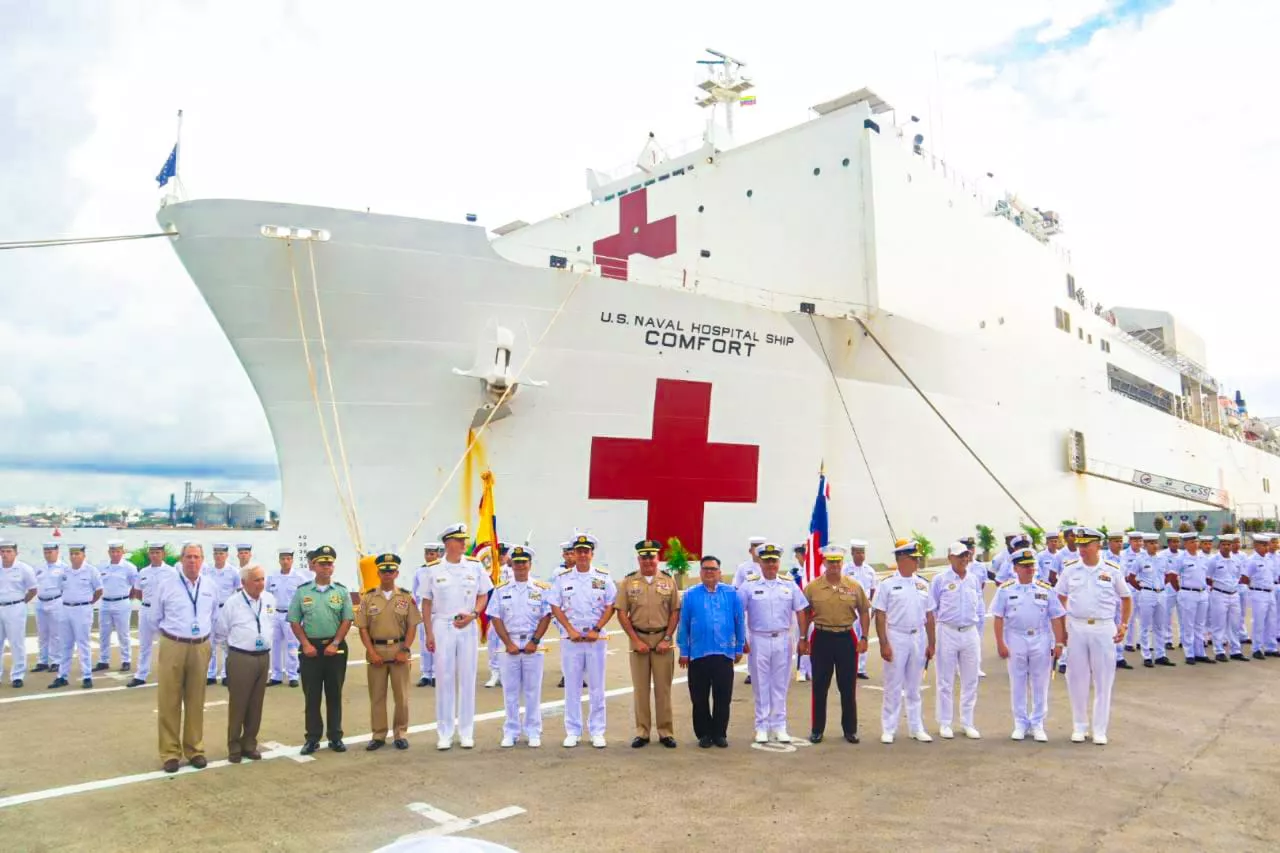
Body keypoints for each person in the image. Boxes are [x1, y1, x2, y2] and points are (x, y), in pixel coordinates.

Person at [1054, 527, 1132, 745]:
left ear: (1098, 546)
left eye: (1086, 545)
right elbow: (1059, 597)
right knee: (1076, 679)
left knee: (1103, 679)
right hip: (1077, 627)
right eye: (1079, 545)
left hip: (1103, 628)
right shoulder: (1070, 570)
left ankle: (1099, 729)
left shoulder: (1112, 570)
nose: (1082, 550)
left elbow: (1126, 598)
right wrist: (1063, 628)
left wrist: (1123, 624)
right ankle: (1079, 726)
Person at [422, 523, 493, 750]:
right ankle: (444, 732)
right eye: (459, 540)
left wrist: (473, 614)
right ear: (448, 543)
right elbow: (426, 603)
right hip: (442, 624)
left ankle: (466, 731)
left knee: (467, 677)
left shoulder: (474, 567)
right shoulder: (432, 569)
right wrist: (429, 633)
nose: (464, 543)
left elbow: (484, 595)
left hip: (467, 626)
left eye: (464, 539)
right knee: (444, 678)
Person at [154, 543, 219, 772]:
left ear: (202, 560)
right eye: (188, 557)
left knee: (195, 701)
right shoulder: (166, 585)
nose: (192, 561)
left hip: (200, 646)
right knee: (169, 700)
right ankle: (170, 753)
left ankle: (195, 749)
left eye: (196, 557)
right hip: (174, 643)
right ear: (181, 559)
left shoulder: (210, 585)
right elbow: (155, 617)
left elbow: (214, 616)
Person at [548, 532, 616, 748]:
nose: (583, 555)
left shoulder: (603, 578)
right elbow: (555, 606)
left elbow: (610, 605)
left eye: (586, 551)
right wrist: (569, 629)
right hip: (571, 639)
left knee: (597, 686)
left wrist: (597, 628)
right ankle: (573, 730)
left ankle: (597, 730)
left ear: (592, 554)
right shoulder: (562, 578)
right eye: (579, 551)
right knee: (572, 686)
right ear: (574, 554)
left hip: (596, 639)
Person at [991, 548, 1065, 741]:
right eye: (1024, 566)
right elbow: (998, 617)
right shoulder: (1005, 589)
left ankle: (1038, 723)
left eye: (1031, 565)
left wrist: (1059, 642)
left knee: (1040, 681)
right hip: (1015, 637)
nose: (1029, 569)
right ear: (1015, 568)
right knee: (1018, 681)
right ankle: (1020, 723)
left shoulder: (1045, 589)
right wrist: (1000, 643)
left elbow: (1057, 616)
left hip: (1040, 637)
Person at [798, 544, 869, 745]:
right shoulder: (812, 587)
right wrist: (803, 638)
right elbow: (804, 613)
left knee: (847, 687)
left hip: (846, 638)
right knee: (819, 686)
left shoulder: (853, 586)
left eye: (837, 562)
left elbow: (864, 610)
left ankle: (850, 730)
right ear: (824, 563)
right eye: (830, 562)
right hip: (822, 638)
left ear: (842, 563)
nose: (834, 565)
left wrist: (864, 637)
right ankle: (817, 729)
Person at [614, 539, 681, 749]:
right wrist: (635, 640)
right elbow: (622, 613)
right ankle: (642, 732)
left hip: (663, 641)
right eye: (644, 557)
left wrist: (667, 638)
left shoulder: (669, 581)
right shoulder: (628, 582)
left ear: (657, 558)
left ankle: (665, 732)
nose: (648, 561)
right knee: (641, 690)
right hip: (638, 641)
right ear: (638, 559)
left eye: (652, 556)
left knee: (663, 690)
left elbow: (675, 612)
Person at [288, 545, 353, 755]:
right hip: (310, 649)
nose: (327, 567)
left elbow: (347, 619)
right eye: (322, 563)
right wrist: (306, 644)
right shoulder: (303, 591)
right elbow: (295, 621)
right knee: (312, 696)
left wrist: (335, 643)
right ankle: (312, 738)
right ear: (314, 566)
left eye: (330, 564)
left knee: (334, 694)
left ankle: (335, 737)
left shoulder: (342, 591)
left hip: (335, 649)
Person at [486, 546, 553, 748]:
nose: (521, 566)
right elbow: (495, 617)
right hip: (510, 644)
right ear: (511, 565)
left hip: (533, 644)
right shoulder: (501, 590)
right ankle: (511, 731)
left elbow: (546, 616)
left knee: (533, 690)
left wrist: (534, 641)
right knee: (510, 691)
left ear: (530, 565)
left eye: (524, 562)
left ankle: (533, 730)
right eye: (517, 562)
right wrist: (508, 643)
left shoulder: (541, 589)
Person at [677, 555, 744, 748]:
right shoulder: (690, 595)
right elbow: (684, 624)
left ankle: (720, 733)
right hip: (698, 654)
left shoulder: (731, 594)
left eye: (713, 569)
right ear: (700, 572)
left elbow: (739, 621)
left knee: (723, 697)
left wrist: (739, 646)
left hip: (724, 653)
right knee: (699, 697)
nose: (709, 572)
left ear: (719, 572)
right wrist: (684, 650)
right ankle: (704, 734)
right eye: (705, 569)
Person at [357, 553, 420, 752]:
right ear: (378, 573)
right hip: (376, 650)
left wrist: (405, 650)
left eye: (391, 571)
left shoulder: (406, 597)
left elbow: (412, 626)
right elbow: (362, 628)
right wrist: (371, 652)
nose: (387, 574)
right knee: (377, 696)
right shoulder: (368, 598)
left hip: (399, 650)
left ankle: (400, 733)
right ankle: (378, 735)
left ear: (397, 573)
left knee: (401, 696)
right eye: (384, 570)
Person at [874, 540, 936, 744]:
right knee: (893, 684)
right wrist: (884, 643)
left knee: (914, 686)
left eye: (917, 558)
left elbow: (929, 615)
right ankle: (889, 728)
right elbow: (880, 615)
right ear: (902, 560)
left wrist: (931, 643)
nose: (917, 562)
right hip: (897, 636)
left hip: (918, 636)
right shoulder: (888, 584)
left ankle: (916, 727)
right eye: (913, 558)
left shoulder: (923, 584)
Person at [217, 563, 275, 763]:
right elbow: (221, 632)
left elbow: (271, 624)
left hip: (263, 657)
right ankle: (234, 745)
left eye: (262, 579)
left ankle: (249, 743)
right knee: (238, 704)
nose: (261, 583)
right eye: (256, 580)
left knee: (256, 704)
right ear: (243, 583)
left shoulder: (269, 599)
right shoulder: (233, 603)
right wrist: (233, 652)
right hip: (241, 657)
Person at [929, 542, 983, 739]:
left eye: (966, 556)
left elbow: (978, 604)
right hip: (948, 631)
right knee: (945, 680)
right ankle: (945, 722)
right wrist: (934, 635)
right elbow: (932, 608)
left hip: (970, 631)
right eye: (960, 556)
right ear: (950, 557)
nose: (964, 559)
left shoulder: (973, 579)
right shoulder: (939, 580)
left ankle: (967, 722)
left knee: (971, 679)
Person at [49, 544, 103, 689]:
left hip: (82, 610)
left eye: (77, 554)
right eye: (72, 554)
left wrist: (88, 602)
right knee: (65, 644)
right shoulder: (64, 571)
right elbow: (60, 588)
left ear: (83, 555)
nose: (74, 557)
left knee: (83, 643)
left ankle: (87, 676)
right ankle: (62, 676)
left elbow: (98, 591)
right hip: (65, 609)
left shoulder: (91, 571)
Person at [128, 542, 176, 688]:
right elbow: (137, 592)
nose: (154, 556)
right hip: (146, 610)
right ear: (149, 555)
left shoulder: (172, 572)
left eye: (158, 553)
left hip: (165, 612)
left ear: (163, 554)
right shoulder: (143, 572)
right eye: (152, 553)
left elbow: (175, 593)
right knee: (144, 645)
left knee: (168, 645)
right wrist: (150, 603)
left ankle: (170, 674)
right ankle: (141, 675)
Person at [1127, 533, 1175, 668]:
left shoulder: (1162, 559)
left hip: (1161, 594)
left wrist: (1161, 587)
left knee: (1160, 626)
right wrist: (1142, 588)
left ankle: (1160, 655)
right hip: (1147, 593)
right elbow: (1131, 577)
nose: (1155, 546)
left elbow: (1168, 575)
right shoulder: (1140, 559)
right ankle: (1147, 655)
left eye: (1156, 543)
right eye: (1151, 543)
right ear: (1146, 545)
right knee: (1145, 626)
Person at [95, 539, 138, 673]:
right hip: (105, 603)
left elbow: (134, 586)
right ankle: (103, 660)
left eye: (118, 551)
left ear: (122, 552)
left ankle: (126, 660)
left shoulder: (129, 567)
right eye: (112, 551)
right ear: (109, 552)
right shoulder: (102, 567)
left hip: (122, 602)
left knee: (123, 633)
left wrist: (127, 599)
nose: (115, 554)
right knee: (103, 633)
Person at [266, 547, 306, 687]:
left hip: (291, 615)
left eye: (288, 559)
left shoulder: (299, 578)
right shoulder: (272, 577)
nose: (285, 561)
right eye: (283, 559)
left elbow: (304, 598)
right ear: (279, 560)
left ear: (292, 560)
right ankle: (276, 675)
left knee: (292, 646)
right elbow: (266, 596)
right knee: (275, 646)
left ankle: (293, 675)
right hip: (276, 614)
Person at [0, 539, 38, 687]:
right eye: (2, 551)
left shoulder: (24, 569)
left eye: (8, 551)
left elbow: (33, 589)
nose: (5, 554)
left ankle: (17, 675)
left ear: (16, 553)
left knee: (16, 642)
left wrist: (21, 603)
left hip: (15, 607)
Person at [203, 543, 241, 686]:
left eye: (221, 554)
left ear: (226, 555)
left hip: (226, 609)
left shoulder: (233, 572)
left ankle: (226, 674)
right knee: (210, 643)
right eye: (216, 554)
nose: (219, 557)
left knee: (227, 644)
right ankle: (210, 674)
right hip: (211, 610)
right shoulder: (207, 571)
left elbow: (239, 592)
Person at [843, 539, 878, 680]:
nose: (860, 555)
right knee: (850, 637)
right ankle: (849, 666)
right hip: (850, 608)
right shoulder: (845, 569)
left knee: (864, 636)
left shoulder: (870, 571)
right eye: (857, 552)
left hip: (864, 608)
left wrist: (871, 605)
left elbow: (873, 589)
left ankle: (861, 668)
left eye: (862, 552)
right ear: (852, 553)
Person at [413, 541, 443, 687]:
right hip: (424, 612)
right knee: (424, 643)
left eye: (431, 554)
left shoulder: (444, 570)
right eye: (427, 554)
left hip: (439, 612)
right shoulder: (420, 571)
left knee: (438, 644)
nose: (429, 557)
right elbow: (415, 593)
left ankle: (437, 674)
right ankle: (426, 674)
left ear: (438, 554)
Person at [33, 542, 66, 674]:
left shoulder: (64, 567)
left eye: (50, 552)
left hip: (56, 601)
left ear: (57, 552)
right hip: (41, 602)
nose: (48, 555)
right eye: (45, 552)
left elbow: (67, 586)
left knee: (56, 634)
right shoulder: (39, 568)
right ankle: (43, 661)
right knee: (42, 634)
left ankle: (56, 661)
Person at [1244, 534, 1275, 659]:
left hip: (1270, 593)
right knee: (1259, 622)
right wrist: (1253, 588)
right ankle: (1257, 648)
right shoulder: (1251, 560)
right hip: (1258, 593)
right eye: (1264, 545)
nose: (1266, 548)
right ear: (1256, 546)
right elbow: (1245, 578)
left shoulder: (1269, 559)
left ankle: (1270, 647)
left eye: (1267, 545)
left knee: (1271, 621)